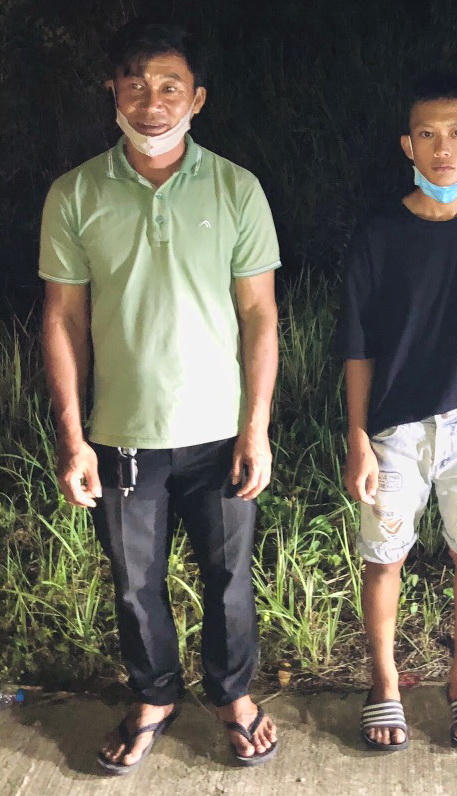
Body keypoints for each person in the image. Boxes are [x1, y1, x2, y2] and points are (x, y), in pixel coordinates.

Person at [40, 20, 281, 773]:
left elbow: (259, 315)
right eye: (136, 86)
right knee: (134, 584)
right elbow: (63, 318)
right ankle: (153, 696)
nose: (153, 103)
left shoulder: (236, 188)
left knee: (229, 579)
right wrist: (74, 438)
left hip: (219, 431)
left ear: (197, 98)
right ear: (113, 92)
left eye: (170, 87)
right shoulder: (75, 192)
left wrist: (256, 427)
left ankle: (233, 695)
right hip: (121, 431)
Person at [338, 73, 457, 751]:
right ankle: (385, 682)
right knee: (383, 558)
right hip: (393, 431)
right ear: (407, 145)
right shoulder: (379, 233)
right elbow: (356, 345)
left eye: (456, 133)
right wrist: (358, 437)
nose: (442, 147)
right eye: (427, 133)